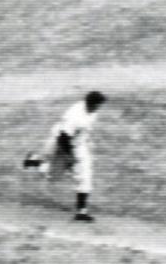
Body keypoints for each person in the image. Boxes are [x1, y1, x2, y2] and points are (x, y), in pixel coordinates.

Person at [21, 90, 106, 222]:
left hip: (78, 145)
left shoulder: (92, 111)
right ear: (91, 104)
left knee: (84, 175)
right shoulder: (75, 115)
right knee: (53, 175)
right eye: (97, 105)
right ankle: (35, 162)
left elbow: (84, 130)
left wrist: (87, 142)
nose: (99, 108)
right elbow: (63, 138)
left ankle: (81, 211)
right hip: (60, 144)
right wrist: (69, 157)